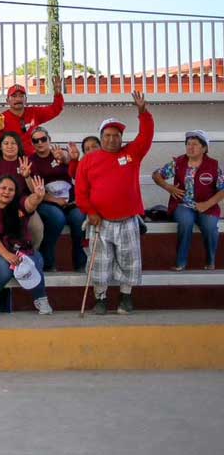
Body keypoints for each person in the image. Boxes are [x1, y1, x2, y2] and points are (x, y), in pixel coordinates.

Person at [75, 93, 153, 315]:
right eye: (107, 135)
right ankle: (100, 299)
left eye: (116, 135)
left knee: (128, 260)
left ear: (121, 137)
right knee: (99, 262)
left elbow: (146, 136)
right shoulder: (88, 161)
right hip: (100, 221)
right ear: (101, 138)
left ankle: (126, 297)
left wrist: (143, 112)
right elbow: (81, 192)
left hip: (128, 219)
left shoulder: (132, 153)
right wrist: (90, 211)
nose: (112, 139)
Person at [0, 174, 53, 315]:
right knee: (3, 266)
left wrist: (37, 196)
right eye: (3, 188)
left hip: (20, 248)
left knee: (36, 259)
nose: (6, 192)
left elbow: (30, 203)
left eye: (11, 189)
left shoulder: (19, 205)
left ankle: (41, 299)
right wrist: (7, 255)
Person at [154, 130, 224, 271]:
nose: (190, 147)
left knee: (210, 227)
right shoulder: (179, 162)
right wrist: (169, 187)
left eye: (195, 144)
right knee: (186, 222)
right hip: (183, 205)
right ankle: (181, 262)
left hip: (207, 206)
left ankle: (210, 261)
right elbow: (156, 175)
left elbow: (222, 189)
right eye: (188, 144)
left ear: (204, 148)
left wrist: (207, 204)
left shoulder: (213, 166)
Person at [30, 126, 87, 271]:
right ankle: (48, 263)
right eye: (35, 140)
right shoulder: (32, 161)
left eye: (43, 139)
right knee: (57, 218)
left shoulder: (59, 152)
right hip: (47, 200)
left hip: (70, 199)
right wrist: (56, 201)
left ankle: (80, 263)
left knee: (79, 218)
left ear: (49, 140)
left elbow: (69, 162)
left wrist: (65, 158)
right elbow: (35, 188)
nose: (40, 143)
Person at [0, 85, 65, 156]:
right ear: (7, 101)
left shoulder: (34, 112)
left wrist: (58, 95)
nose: (18, 99)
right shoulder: (1, 119)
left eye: (21, 96)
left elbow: (55, 109)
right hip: (12, 160)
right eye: (14, 96)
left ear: (26, 99)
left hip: (35, 160)